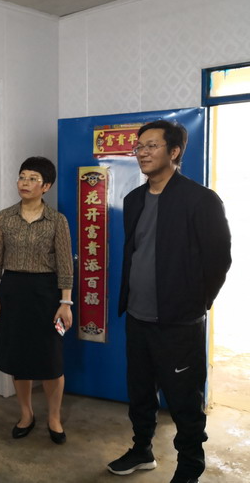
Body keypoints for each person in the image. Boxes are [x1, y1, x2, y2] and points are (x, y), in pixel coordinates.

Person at [107, 120, 232, 483]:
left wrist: (196, 304)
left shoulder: (201, 200)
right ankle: (142, 450)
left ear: (174, 151)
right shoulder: (133, 199)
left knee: (184, 400)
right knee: (140, 393)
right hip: (137, 316)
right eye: (139, 147)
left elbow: (219, 259)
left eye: (152, 146)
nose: (142, 153)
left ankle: (190, 467)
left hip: (179, 322)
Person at [0, 156, 74, 445]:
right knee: (18, 359)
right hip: (12, 293)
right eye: (22, 176)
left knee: (51, 361)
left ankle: (54, 417)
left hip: (46, 295)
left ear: (46, 186)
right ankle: (26, 414)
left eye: (33, 178)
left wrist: (66, 303)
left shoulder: (57, 221)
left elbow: (65, 265)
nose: (24, 183)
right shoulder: (3, 218)